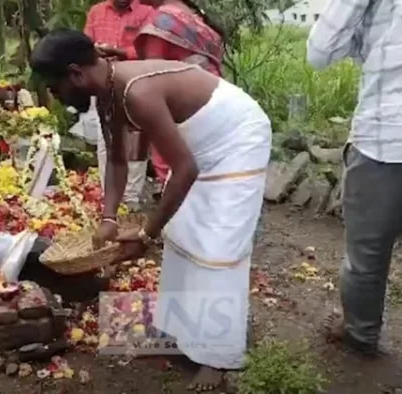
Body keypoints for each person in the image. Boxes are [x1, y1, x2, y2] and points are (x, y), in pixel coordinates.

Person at [31, 29, 271, 391]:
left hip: (237, 138)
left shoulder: (137, 92)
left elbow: (185, 170)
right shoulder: (106, 91)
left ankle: (218, 358)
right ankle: (183, 331)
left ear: (76, 74)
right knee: (184, 232)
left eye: (54, 87)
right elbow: (116, 160)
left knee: (218, 246)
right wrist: (108, 219)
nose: (55, 96)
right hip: (198, 146)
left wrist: (146, 235)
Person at [307, 1, 402, 392]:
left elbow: (319, 53)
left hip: (386, 137)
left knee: (365, 258)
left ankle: (360, 334)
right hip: (387, 133)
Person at [131, 0, 225, 186]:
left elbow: (152, 74)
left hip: (182, 106)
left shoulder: (161, 21)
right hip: (215, 99)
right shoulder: (190, 14)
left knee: (173, 165)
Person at [83, 0, 154, 211]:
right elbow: (85, 46)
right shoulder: (97, 12)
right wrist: (94, 51)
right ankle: (109, 200)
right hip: (103, 86)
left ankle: (131, 202)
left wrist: (120, 52)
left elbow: (149, 50)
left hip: (135, 86)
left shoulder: (146, 13)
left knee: (137, 142)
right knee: (106, 142)